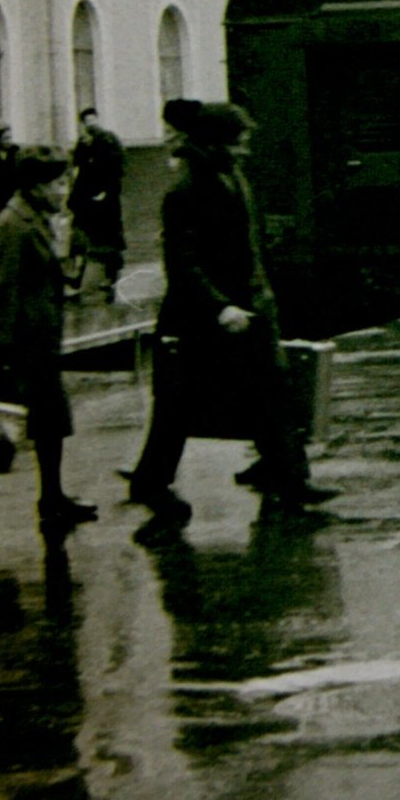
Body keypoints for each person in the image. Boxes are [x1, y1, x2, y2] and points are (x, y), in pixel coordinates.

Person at [116, 103, 333, 519]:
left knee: (271, 395)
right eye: (239, 143)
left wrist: (259, 298)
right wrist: (220, 308)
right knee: (177, 408)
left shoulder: (227, 177)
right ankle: (150, 483)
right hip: (205, 319)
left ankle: (290, 481)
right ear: (216, 142)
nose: (245, 150)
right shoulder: (186, 190)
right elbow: (182, 262)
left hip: (248, 311)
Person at [0, 148, 101, 529]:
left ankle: (52, 498)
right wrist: (0, 355)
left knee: (51, 425)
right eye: (57, 183)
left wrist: (70, 250)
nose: (63, 191)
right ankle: (51, 501)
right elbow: (1, 291)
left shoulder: (37, 220)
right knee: (14, 431)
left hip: (40, 343)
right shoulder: (13, 226)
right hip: (22, 348)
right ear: (34, 187)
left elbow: (61, 279)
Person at [66, 107, 126, 302]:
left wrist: (105, 191)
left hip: (106, 203)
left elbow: (117, 168)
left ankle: (111, 281)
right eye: (87, 121)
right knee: (81, 240)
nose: (91, 123)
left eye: (93, 119)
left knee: (109, 242)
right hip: (85, 202)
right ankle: (79, 278)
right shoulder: (82, 145)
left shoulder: (109, 141)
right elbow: (76, 168)